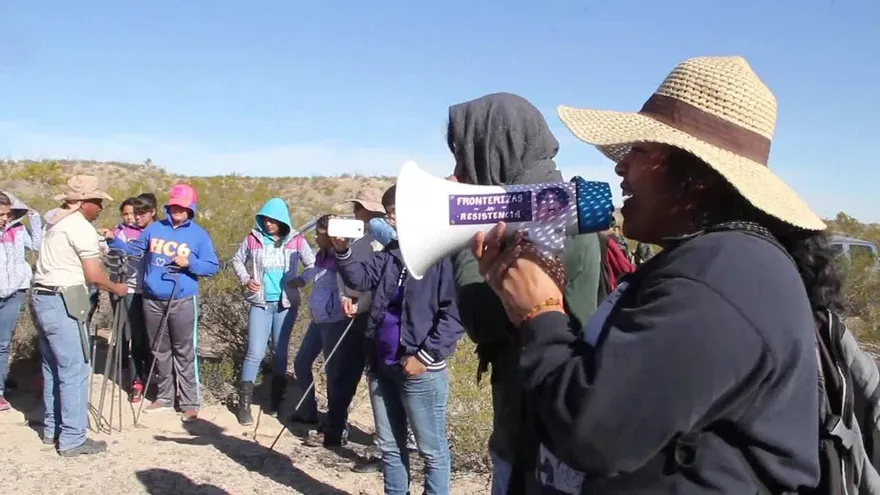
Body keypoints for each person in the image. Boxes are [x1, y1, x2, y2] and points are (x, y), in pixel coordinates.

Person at [472, 56, 826, 492]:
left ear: (696, 176)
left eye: (638, 151)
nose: (620, 167)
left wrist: (540, 314)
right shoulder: (711, 263)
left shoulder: (722, 275)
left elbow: (595, 432)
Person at [445, 92, 603, 494]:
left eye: (464, 153)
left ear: (491, 149)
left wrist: (463, 233)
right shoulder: (555, 201)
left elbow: (482, 319)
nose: (459, 167)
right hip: (548, 421)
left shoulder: (536, 215)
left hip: (536, 432)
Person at [334, 185, 465, 495]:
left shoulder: (442, 255)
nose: (393, 217)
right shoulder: (394, 251)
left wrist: (425, 357)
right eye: (390, 211)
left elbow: (455, 315)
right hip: (382, 364)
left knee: (431, 451)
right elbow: (360, 279)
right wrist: (342, 251)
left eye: (398, 210)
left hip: (420, 369)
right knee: (391, 448)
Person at [30, 175, 128, 456]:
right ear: (83, 202)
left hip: (43, 296)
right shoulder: (78, 227)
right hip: (63, 298)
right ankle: (73, 438)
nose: (100, 208)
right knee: (75, 367)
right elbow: (95, 276)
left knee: (53, 365)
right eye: (97, 201)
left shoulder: (54, 221)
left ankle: (53, 429)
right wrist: (116, 287)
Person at [116, 183, 219, 422]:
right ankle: (164, 396)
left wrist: (190, 263)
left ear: (191, 209)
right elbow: (135, 250)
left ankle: (189, 402)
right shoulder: (155, 229)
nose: (177, 211)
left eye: (182, 207)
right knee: (159, 350)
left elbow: (212, 267)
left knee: (184, 351)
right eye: (173, 206)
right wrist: (114, 242)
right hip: (152, 299)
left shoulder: (199, 235)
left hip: (182, 299)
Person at [230, 197, 315, 425]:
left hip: (285, 305)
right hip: (260, 302)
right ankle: (244, 405)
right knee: (255, 351)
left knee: (280, 352)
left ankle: (276, 401)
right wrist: (247, 279)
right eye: (266, 219)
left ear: (283, 221)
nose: (268, 224)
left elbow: (313, 263)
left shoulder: (296, 240)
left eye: (273, 220)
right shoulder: (253, 238)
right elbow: (237, 261)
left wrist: (302, 280)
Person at [289, 214, 351, 445]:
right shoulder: (322, 255)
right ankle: (308, 412)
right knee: (301, 363)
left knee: (335, 375)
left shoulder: (343, 258)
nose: (316, 236)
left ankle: (337, 427)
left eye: (320, 233)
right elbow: (313, 272)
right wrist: (302, 280)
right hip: (318, 320)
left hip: (335, 321)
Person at [102, 194, 158, 402]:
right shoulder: (121, 232)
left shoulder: (157, 231)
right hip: (131, 289)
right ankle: (136, 380)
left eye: (136, 213)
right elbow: (118, 253)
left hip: (154, 291)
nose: (132, 217)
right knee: (134, 335)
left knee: (151, 337)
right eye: (128, 213)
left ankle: (154, 376)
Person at [0, 190, 42, 412]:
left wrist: (34, 217)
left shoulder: (17, 230)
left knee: (3, 343)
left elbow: (37, 245)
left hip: (14, 292)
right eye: (1, 214)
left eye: (7, 213)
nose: (4, 218)